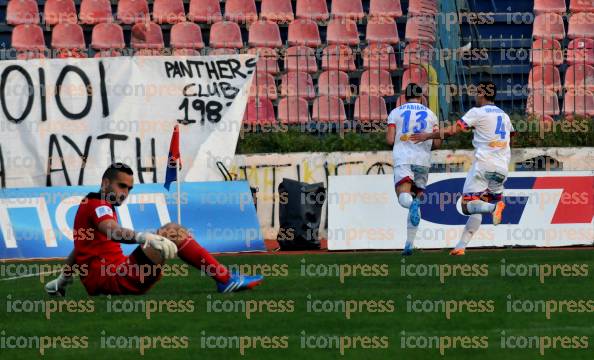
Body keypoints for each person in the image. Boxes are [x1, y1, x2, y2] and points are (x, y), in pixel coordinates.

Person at [45, 163, 263, 295]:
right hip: (114, 279)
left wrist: (63, 279)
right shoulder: (99, 205)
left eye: (129, 189)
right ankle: (225, 279)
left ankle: (225, 278)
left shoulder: (92, 204)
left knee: (170, 231)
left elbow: (80, 248)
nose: (125, 193)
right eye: (121, 186)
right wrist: (142, 237)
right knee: (172, 232)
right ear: (104, 183)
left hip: (109, 279)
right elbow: (112, 230)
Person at [411, 81, 513, 256]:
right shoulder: (504, 115)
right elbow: (512, 135)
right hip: (502, 167)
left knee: (467, 205)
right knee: (480, 204)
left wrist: (427, 135)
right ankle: (461, 245)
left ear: (481, 93)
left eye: (476, 92)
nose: (474, 96)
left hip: (484, 165)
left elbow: (451, 131)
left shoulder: (477, 112)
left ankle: (494, 208)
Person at [386, 83, 441, 256]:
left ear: (404, 97)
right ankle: (409, 245)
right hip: (422, 161)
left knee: (403, 198)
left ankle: (412, 204)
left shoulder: (395, 112)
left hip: (404, 159)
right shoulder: (431, 114)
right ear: (421, 97)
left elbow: (389, 140)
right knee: (415, 200)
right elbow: (438, 142)